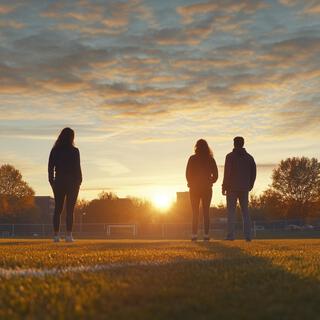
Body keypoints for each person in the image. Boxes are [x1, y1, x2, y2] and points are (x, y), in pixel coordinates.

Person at [48, 128, 82, 242]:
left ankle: (56, 236)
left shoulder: (55, 150)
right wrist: (79, 181)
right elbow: (78, 168)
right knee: (70, 210)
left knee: (57, 209)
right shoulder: (75, 151)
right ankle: (68, 235)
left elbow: (50, 168)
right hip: (72, 182)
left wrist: (52, 181)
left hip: (59, 181)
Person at [222, 136, 256, 241]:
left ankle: (230, 236)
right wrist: (250, 184)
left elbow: (227, 172)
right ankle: (248, 236)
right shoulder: (249, 157)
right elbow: (253, 172)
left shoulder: (230, 157)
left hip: (232, 187)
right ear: (243, 143)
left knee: (231, 213)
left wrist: (224, 185)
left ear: (234, 144)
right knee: (245, 212)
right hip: (244, 187)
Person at [186, 139, 218, 241]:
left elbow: (187, 173)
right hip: (207, 189)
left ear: (196, 147)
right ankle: (206, 235)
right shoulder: (210, 159)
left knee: (195, 213)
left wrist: (191, 183)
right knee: (206, 212)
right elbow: (216, 175)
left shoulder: (192, 158)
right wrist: (210, 182)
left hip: (194, 189)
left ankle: (194, 234)